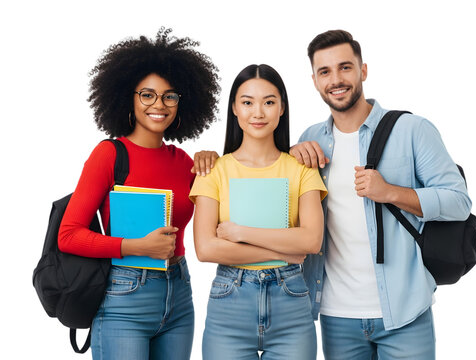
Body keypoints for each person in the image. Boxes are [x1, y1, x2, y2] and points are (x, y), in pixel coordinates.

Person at [288, 30, 472, 359]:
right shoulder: (310, 139)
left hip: (404, 312)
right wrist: (290, 154)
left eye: (345, 67)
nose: (336, 79)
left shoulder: (412, 130)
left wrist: (390, 192)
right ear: (315, 81)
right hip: (336, 315)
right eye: (324, 72)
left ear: (363, 71)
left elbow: (459, 203)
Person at [58, 28, 220, 359]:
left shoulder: (184, 161)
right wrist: (137, 246)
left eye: (169, 96)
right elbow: (68, 235)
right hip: (124, 296)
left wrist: (216, 163)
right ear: (128, 98)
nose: (158, 105)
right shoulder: (109, 155)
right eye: (147, 95)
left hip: (179, 293)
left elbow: (219, 218)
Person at [189, 64, 327, 360]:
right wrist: (284, 252)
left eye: (269, 102)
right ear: (235, 109)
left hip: (291, 302)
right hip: (229, 305)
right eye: (247, 102)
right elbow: (205, 248)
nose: (258, 112)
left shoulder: (301, 168)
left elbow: (312, 241)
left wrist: (240, 233)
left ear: (282, 108)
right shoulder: (213, 170)